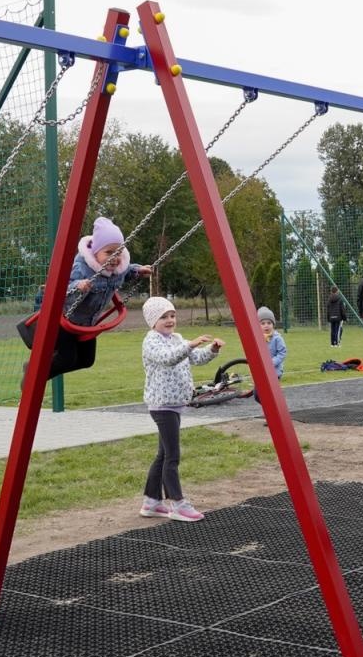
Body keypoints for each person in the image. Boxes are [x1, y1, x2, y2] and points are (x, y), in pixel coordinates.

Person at [28, 216, 153, 378]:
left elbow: (126, 270)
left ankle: (38, 372)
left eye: (118, 253)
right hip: (65, 319)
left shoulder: (117, 267)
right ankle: (33, 374)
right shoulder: (81, 268)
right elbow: (61, 289)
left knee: (86, 360)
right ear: (95, 252)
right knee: (66, 359)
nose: (115, 258)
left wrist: (138, 270)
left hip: (88, 323)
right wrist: (78, 286)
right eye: (109, 252)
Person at [139, 297, 222, 521]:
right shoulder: (151, 342)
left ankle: (152, 502)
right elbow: (168, 359)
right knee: (172, 455)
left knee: (163, 454)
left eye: (172, 315)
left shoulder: (177, 338)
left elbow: (195, 358)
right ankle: (177, 503)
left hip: (175, 404)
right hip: (162, 404)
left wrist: (211, 350)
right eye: (163, 317)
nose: (170, 320)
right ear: (152, 321)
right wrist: (190, 344)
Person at [257, 306, 287, 379]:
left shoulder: (277, 338)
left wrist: (272, 362)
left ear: (273, 324)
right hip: (261, 370)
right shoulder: (257, 338)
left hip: (274, 370)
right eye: (263, 323)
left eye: (269, 323)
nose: (266, 325)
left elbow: (282, 353)